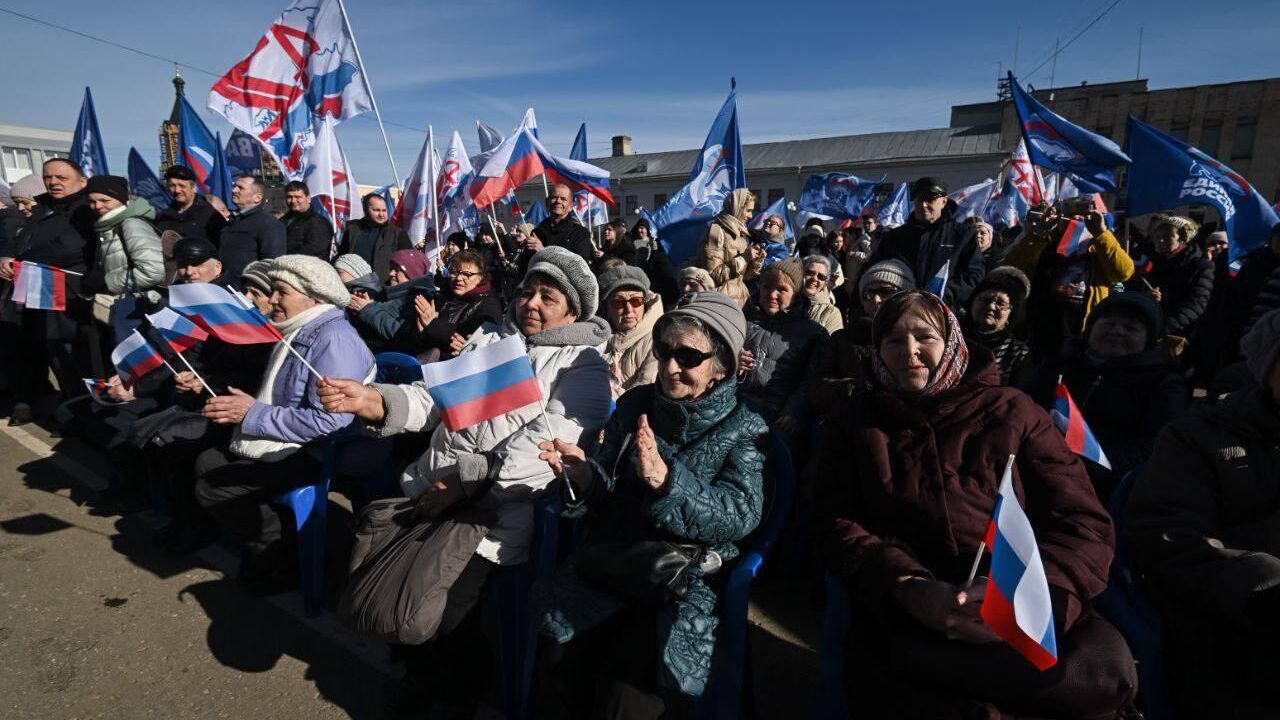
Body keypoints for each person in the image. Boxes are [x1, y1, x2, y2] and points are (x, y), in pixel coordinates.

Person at [317, 246, 612, 715]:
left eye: (548, 297)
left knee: (447, 612)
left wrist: (464, 483)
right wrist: (372, 400)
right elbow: (431, 400)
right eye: (528, 292)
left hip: (494, 514)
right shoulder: (492, 345)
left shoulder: (584, 366)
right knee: (387, 580)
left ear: (573, 311)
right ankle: (420, 673)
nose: (531, 303)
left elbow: (543, 449)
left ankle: (453, 695)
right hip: (434, 492)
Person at [815, 290, 1135, 719]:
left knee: (1103, 678)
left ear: (951, 343)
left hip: (1026, 603)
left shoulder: (1014, 411)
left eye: (924, 336)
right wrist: (908, 587)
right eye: (892, 340)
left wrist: (1024, 601)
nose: (909, 351)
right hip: (916, 615)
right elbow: (835, 520)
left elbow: (1082, 522)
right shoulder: (855, 422)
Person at [533, 290, 767, 716]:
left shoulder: (744, 428)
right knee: (556, 658)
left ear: (721, 366)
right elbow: (606, 482)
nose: (671, 367)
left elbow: (740, 515)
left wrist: (666, 482)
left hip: (682, 579)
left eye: (688, 357)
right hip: (615, 556)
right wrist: (585, 476)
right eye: (664, 351)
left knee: (630, 698)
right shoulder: (637, 403)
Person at [1126, 308, 1280, 719]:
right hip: (1238, 631)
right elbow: (1170, 537)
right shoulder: (1197, 437)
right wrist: (1265, 585)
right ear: (1267, 369)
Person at [194, 255, 374, 593]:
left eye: (281, 292)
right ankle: (281, 546)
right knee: (207, 460)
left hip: (319, 452)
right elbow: (281, 395)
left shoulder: (333, 340)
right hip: (289, 439)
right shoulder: (299, 330)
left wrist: (252, 414)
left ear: (314, 297)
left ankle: (282, 552)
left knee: (214, 481)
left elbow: (330, 422)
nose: (271, 299)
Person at [1022, 292, 1189, 499]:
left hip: (1104, 487)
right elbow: (1021, 409)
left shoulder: (1163, 383)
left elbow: (1158, 442)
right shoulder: (1056, 366)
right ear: (1090, 328)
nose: (1117, 331)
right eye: (1109, 323)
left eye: (1131, 328)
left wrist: (1090, 464)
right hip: (1032, 466)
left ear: (1148, 339)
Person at [0, 158, 95, 424]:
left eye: (61, 177)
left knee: (73, 355)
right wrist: (9, 257)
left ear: (82, 181)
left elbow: (68, 247)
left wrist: (23, 260)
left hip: (70, 294)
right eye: (48, 177)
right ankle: (68, 405)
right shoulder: (43, 208)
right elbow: (22, 238)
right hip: (37, 287)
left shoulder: (85, 209)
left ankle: (86, 413)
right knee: (49, 351)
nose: (53, 182)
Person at [1004, 200, 1134, 360]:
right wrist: (1037, 233)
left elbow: (1124, 272)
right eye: (1071, 216)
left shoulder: (1098, 245)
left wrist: (1101, 233)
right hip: (1041, 327)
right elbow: (1011, 269)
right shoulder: (1045, 242)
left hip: (1084, 329)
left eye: (1084, 216)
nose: (1077, 220)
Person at [805, 259, 915, 419]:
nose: (875, 300)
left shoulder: (920, 341)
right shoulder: (841, 339)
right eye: (868, 294)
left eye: (885, 291)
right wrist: (846, 388)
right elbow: (815, 387)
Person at [868, 177, 986, 310]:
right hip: (901, 309)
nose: (924, 205)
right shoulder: (895, 237)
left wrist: (945, 294)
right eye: (920, 199)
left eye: (930, 199)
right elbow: (876, 268)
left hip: (942, 310)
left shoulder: (962, 235)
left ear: (943, 201)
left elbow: (974, 273)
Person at [739, 257, 826, 433]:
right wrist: (733, 360)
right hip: (735, 410)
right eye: (767, 287)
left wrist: (795, 410)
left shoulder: (813, 334)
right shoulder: (741, 322)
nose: (772, 294)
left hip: (779, 421)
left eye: (781, 289)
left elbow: (813, 380)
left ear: (794, 295)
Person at [77, 175, 166, 343]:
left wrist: (106, 281)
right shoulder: (107, 226)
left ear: (121, 199)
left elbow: (153, 271)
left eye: (105, 200)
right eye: (92, 201)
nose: (97, 206)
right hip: (128, 306)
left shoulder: (130, 223)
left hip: (141, 308)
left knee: (141, 363)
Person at [391, 248, 503, 361]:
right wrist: (419, 331)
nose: (459, 278)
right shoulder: (441, 297)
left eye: (467, 274)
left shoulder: (489, 305)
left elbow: (471, 345)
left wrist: (433, 324)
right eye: (454, 272)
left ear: (480, 277)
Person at [1125, 214, 1214, 340]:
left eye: (1167, 236)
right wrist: (1146, 298)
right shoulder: (1150, 263)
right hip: (1146, 329)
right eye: (1157, 236)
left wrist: (1162, 328)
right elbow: (1133, 291)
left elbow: (1196, 304)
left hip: (1177, 334)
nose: (1160, 240)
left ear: (1182, 238)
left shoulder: (1200, 265)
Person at [346, 248, 436, 352]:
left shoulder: (419, 300)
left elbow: (399, 333)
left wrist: (367, 309)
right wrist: (369, 304)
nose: (391, 273)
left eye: (397, 270)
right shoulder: (389, 292)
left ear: (412, 274)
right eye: (391, 268)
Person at [598, 265, 665, 400]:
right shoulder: (594, 339)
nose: (628, 309)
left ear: (645, 305)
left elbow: (643, 395)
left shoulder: (659, 340)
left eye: (635, 301)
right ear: (607, 309)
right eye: (618, 302)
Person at [961, 267, 1033, 387]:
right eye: (986, 299)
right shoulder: (952, 335)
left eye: (1001, 304)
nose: (991, 306)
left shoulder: (1018, 354)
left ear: (1010, 316)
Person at [695, 189, 765, 308]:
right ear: (736, 207)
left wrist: (755, 261)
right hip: (720, 302)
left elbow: (743, 277)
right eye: (748, 210)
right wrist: (743, 258)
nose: (750, 216)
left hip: (739, 300)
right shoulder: (717, 231)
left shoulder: (740, 233)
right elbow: (712, 275)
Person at [217, 176, 285, 286]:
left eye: (241, 188)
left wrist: (256, 290)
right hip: (225, 287)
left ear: (257, 198)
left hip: (247, 292)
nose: (234, 190)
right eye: (235, 186)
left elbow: (272, 262)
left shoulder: (268, 224)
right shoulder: (232, 221)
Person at [337, 193, 411, 283]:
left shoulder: (398, 234)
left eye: (384, 210)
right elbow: (342, 256)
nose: (381, 214)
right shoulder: (352, 230)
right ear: (366, 210)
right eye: (376, 210)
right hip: (355, 286)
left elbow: (409, 263)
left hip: (384, 289)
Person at [154, 165, 226, 243]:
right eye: (172, 186)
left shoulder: (210, 216)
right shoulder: (163, 217)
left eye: (182, 186)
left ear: (194, 188)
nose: (177, 190)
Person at [616, 219, 678, 307]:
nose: (639, 230)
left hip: (651, 274)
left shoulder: (653, 242)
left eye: (642, 228)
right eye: (638, 228)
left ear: (647, 230)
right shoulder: (631, 241)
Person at [533, 184, 594, 264]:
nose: (558, 201)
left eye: (563, 199)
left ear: (570, 206)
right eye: (554, 197)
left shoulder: (581, 233)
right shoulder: (536, 232)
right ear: (547, 202)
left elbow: (578, 266)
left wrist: (543, 252)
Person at [280, 180, 334, 260]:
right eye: (289, 197)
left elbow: (312, 250)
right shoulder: (283, 220)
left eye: (298, 197)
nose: (293, 201)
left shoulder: (318, 222)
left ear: (308, 198)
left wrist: (283, 255)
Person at [800, 255, 844, 334]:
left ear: (825, 283)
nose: (815, 278)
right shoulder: (786, 300)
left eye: (821, 277)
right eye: (810, 273)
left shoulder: (831, 313)